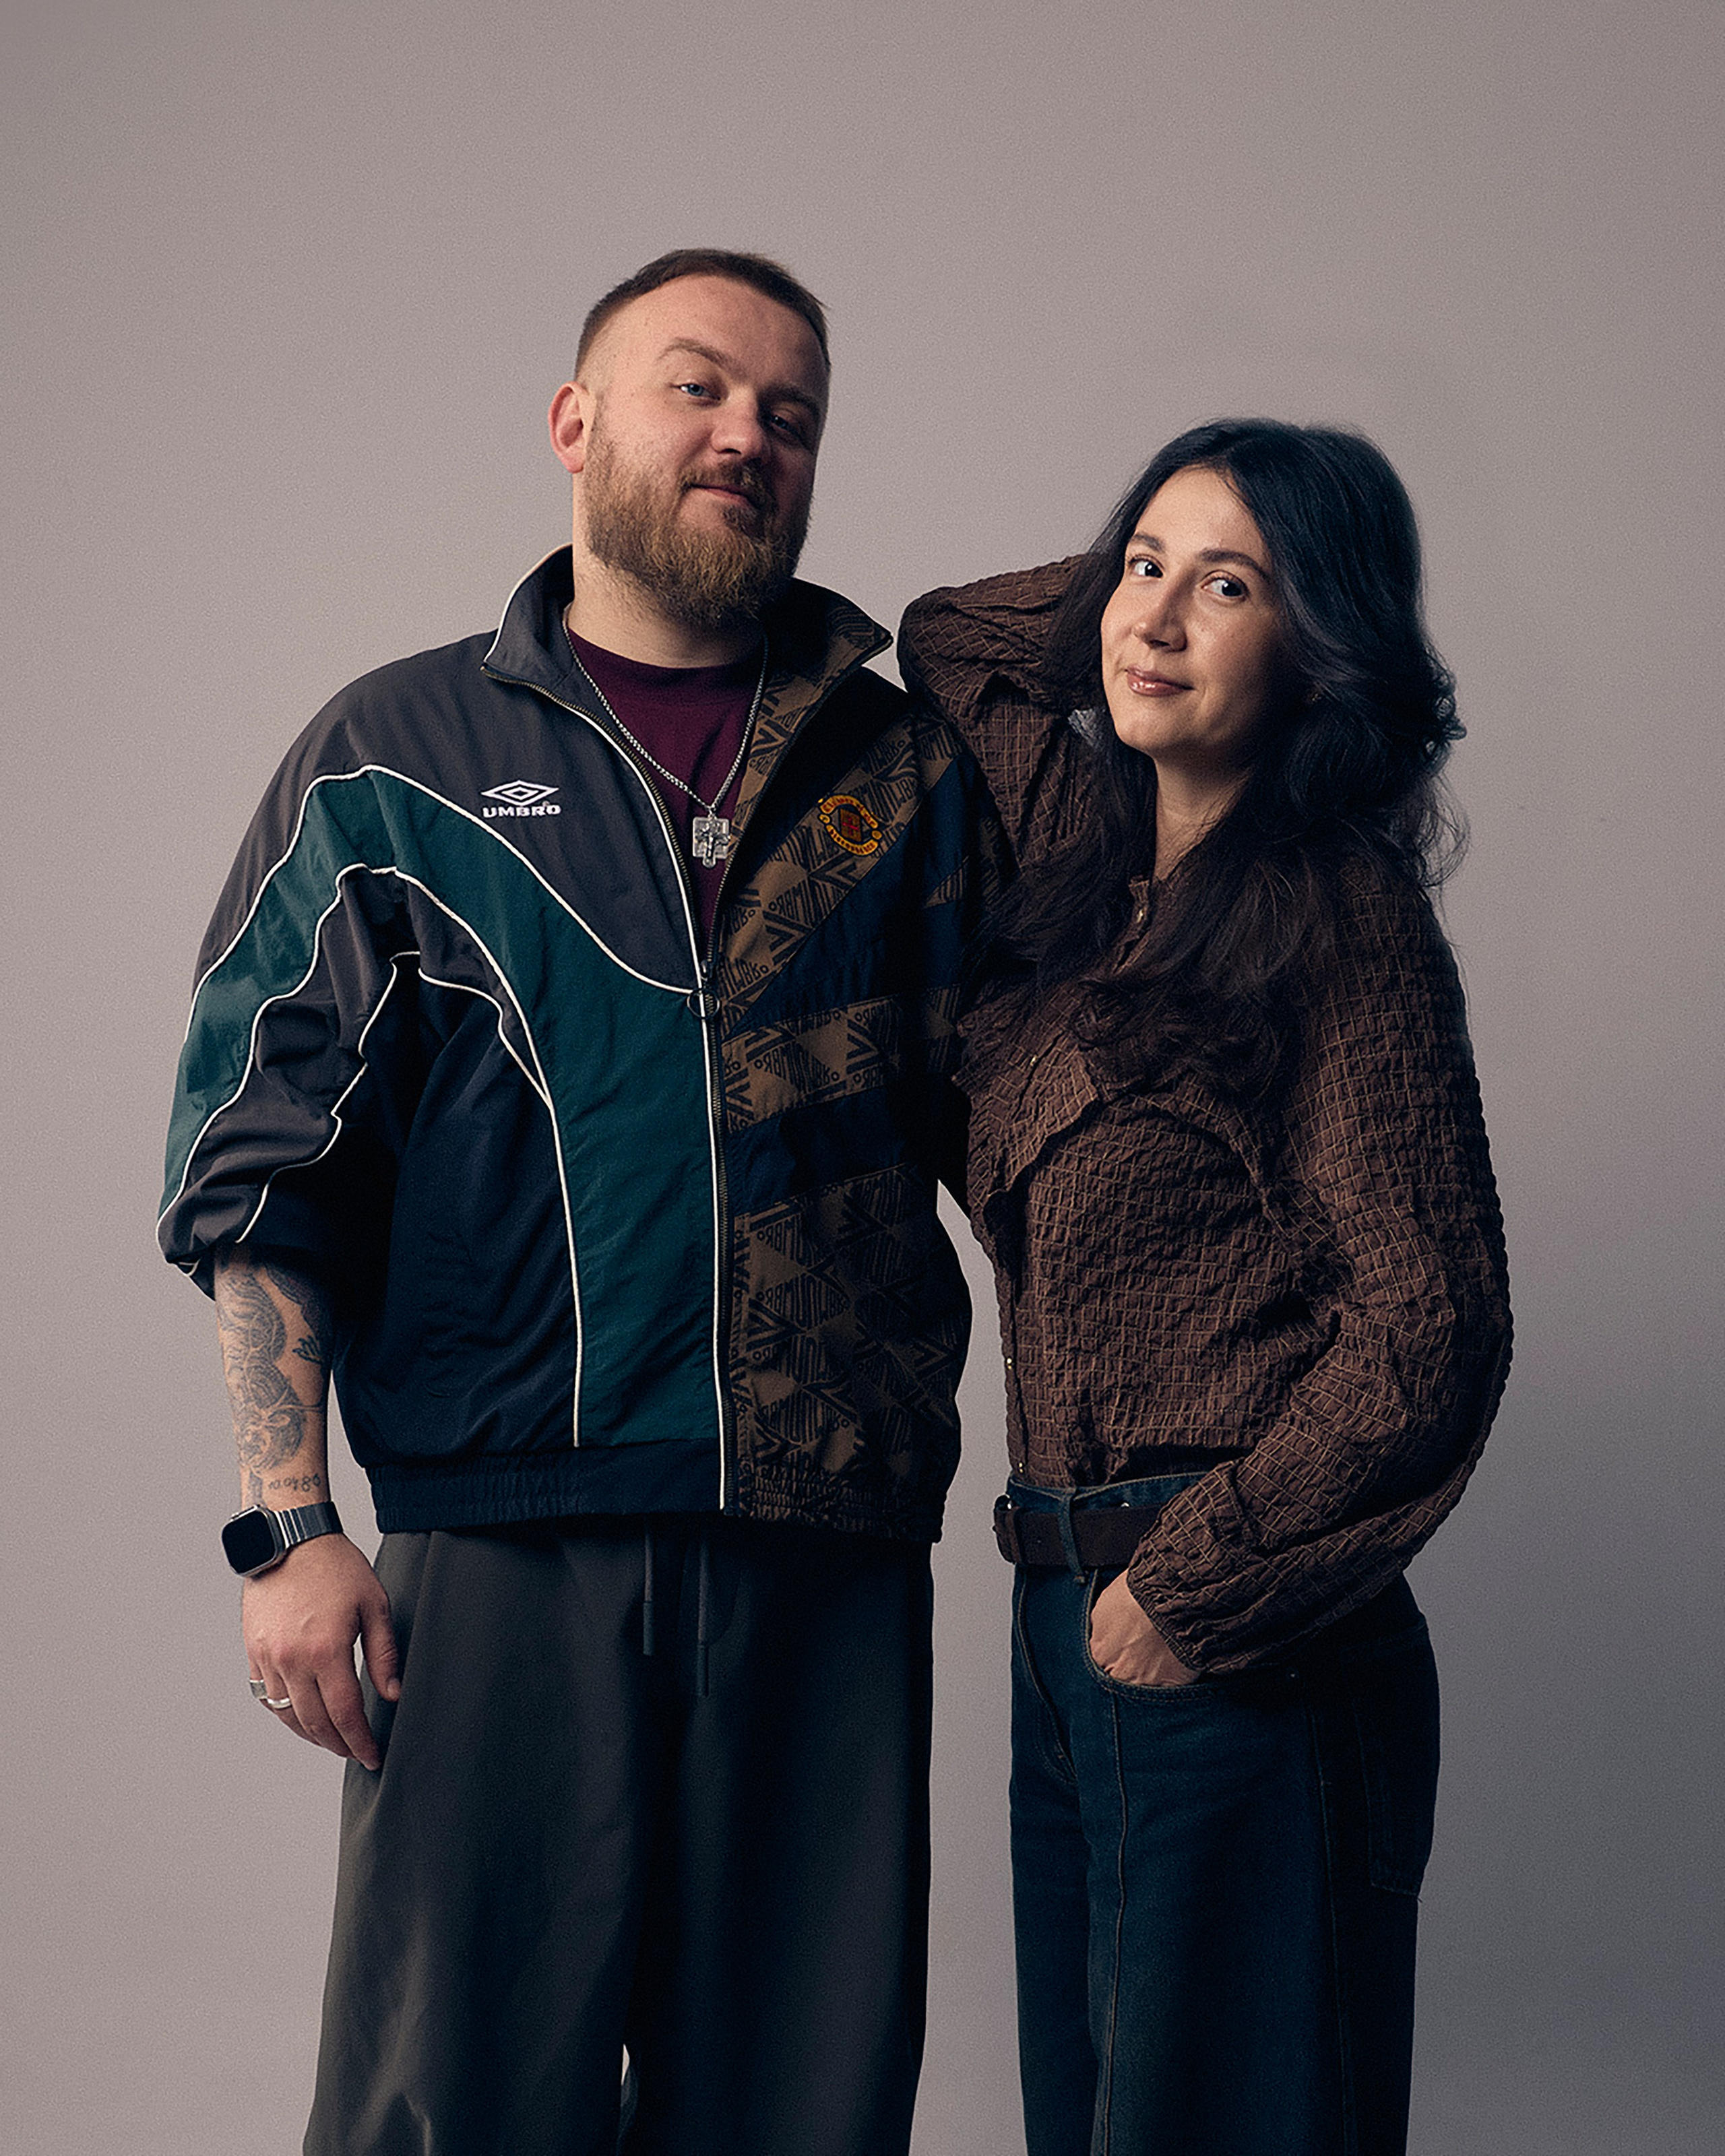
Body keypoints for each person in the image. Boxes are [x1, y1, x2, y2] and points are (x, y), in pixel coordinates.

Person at [158, 248, 1003, 2156]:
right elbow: (261, 1160)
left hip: (822, 1550)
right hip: (499, 1542)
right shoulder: (394, 762)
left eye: (790, 413)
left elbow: (1027, 1131)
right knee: (452, 2102)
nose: (746, 437)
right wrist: (286, 1525)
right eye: (697, 387)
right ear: (574, 424)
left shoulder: (903, 773)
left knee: (804, 2106)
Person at [900, 419, 1512, 2156]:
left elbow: (1433, 1331)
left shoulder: (1341, 921)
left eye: (1225, 586)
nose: (1150, 618)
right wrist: (1139, 568)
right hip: (1055, 1614)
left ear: (1319, 645)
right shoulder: (1091, 872)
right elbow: (951, 638)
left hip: (1237, 1634)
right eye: (1140, 565)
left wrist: (1198, 1588)